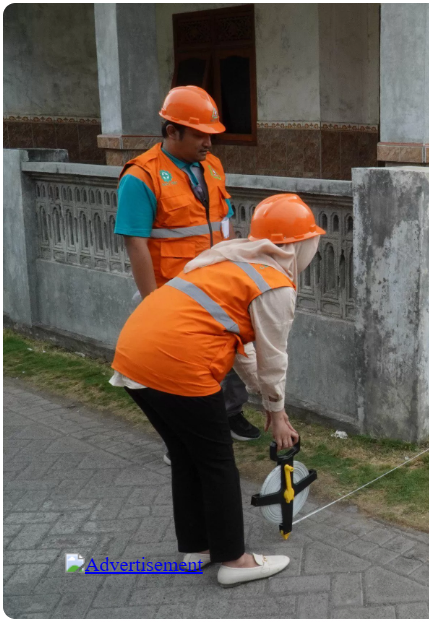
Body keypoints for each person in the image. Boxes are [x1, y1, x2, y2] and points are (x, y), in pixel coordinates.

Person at [109, 194, 324, 587]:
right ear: (295, 246)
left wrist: (272, 406)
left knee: (188, 457)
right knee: (217, 462)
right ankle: (234, 561)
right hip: (177, 364)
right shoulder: (274, 283)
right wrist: (275, 413)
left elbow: (242, 349)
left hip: (134, 355)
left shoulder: (228, 259)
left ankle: (200, 549)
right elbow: (273, 357)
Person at [112, 85, 261, 459]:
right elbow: (136, 243)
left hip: (217, 285)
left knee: (226, 353)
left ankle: (230, 415)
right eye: (199, 134)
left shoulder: (211, 166)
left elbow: (223, 221)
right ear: (171, 131)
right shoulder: (141, 177)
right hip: (172, 293)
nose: (208, 143)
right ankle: (179, 439)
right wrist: (153, 304)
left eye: (211, 134)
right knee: (179, 369)